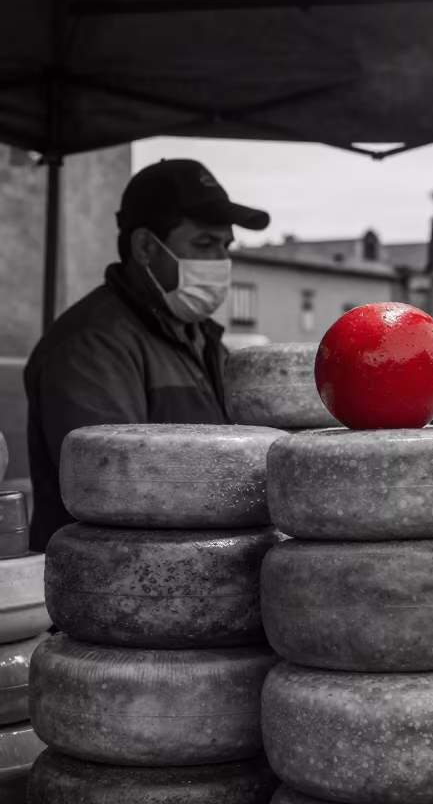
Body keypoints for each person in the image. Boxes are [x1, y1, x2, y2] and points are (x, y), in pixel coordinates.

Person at [24, 159, 269, 551]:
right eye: (204, 244)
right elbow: (114, 487)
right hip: (113, 586)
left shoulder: (204, 338)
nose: (221, 262)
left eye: (226, 246)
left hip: (200, 574)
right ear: (145, 247)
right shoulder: (91, 345)